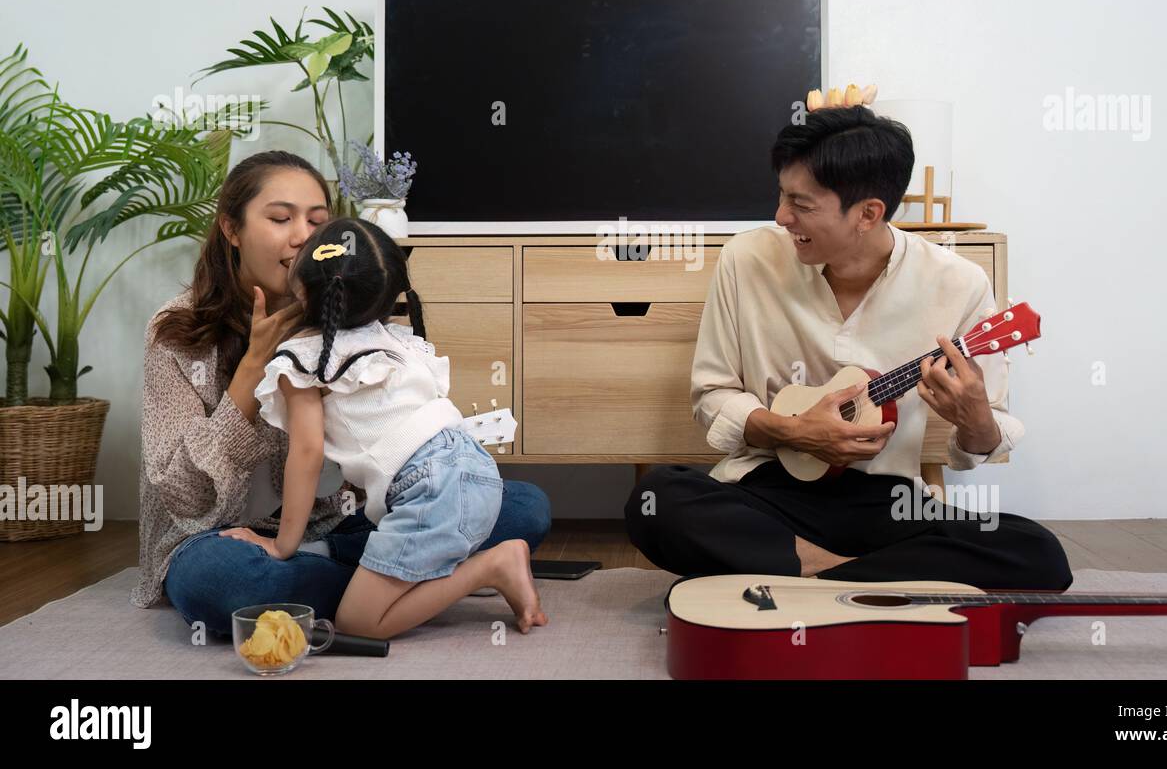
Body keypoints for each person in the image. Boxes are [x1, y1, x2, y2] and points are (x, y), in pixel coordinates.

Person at [624, 105, 1073, 591]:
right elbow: (711, 395)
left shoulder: (958, 283)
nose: (781, 217)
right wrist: (794, 432)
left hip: (886, 500)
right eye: (781, 195)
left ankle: (802, 571)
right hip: (769, 492)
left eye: (802, 204)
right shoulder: (747, 259)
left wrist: (977, 421)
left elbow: (982, 440)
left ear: (868, 213)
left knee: (1038, 551)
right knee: (656, 499)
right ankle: (862, 579)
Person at [132, 150, 551, 638]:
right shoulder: (176, 333)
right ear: (231, 228)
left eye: (317, 221)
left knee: (523, 506)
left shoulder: (345, 314)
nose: (302, 237)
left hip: (332, 530)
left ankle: (369, 584)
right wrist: (252, 367)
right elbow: (184, 496)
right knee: (219, 580)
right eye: (280, 218)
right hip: (216, 539)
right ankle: (403, 581)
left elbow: (386, 454)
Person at [219, 217, 547, 638]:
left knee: (358, 622)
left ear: (302, 286)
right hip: (478, 472)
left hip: (430, 489)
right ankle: (457, 563)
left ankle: (490, 567)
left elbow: (307, 454)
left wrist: (283, 546)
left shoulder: (302, 360)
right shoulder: (395, 340)